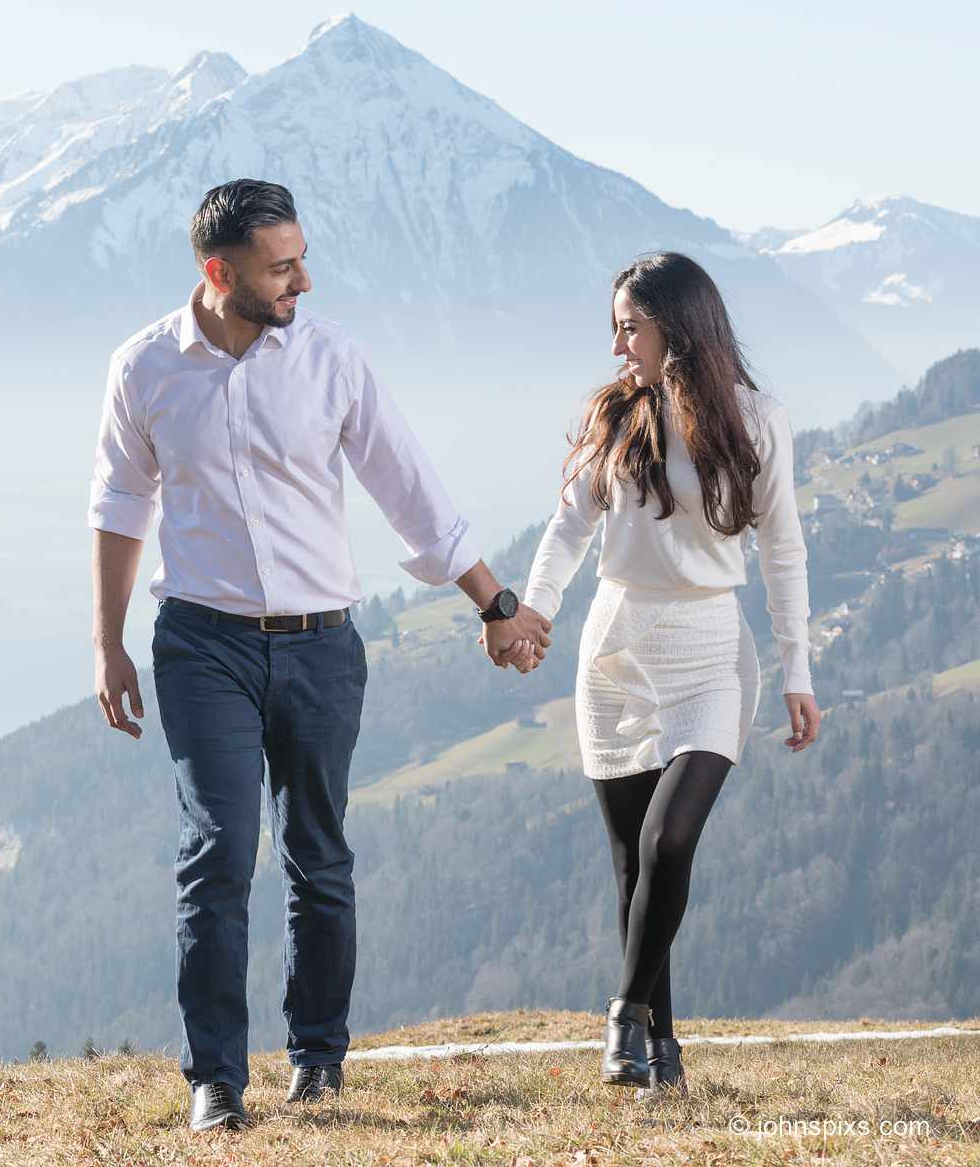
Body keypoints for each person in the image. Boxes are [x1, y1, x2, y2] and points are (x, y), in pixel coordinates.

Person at [88, 179, 550, 1133]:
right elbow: (119, 508)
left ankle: (319, 1059)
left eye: (302, 257)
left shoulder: (334, 358)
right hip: (200, 646)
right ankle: (215, 1080)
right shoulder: (144, 369)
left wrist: (497, 604)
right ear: (220, 273)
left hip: (322, 647)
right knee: (216, 851)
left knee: (318, 857)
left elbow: (409, 490)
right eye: (282, 264)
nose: (303, 277)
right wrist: (108, 643)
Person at [518, 251, 821, 1099]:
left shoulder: (758, 420)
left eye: (630, 328)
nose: (620, 347)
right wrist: (536, 610)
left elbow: (784, 549)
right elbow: (567, 528)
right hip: (617, 650)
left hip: (708, 653)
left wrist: (797, 669)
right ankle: (665, 1053)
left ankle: (624, 1017)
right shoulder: (616, 416)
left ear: (678, 329)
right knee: (630, 864)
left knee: (669, 840)